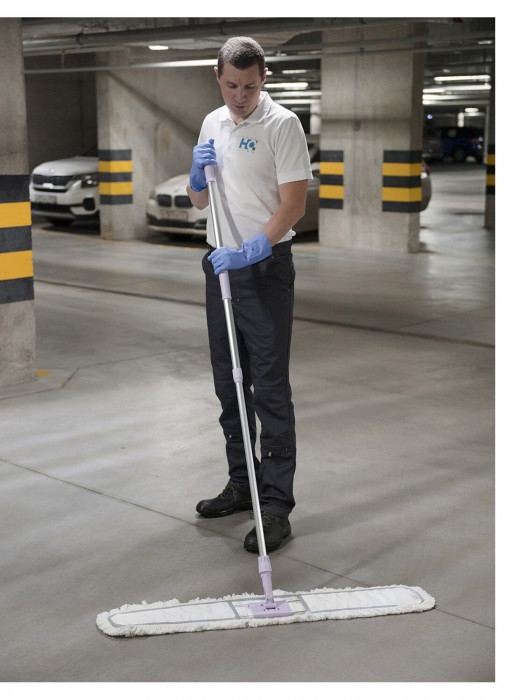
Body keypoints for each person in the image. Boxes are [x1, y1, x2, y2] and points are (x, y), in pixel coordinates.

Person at [186, 37, 312, 553]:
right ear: (218, 77)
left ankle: (276, 505)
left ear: (264, 79)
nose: (241, 97)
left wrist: (254, 249)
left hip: (264, 269)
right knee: (229, 384)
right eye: (232, 86)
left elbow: (294, 205)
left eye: (251, 86)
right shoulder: (212, 122)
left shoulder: (282, 124)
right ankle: (243, 483)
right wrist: (195, 175)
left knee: (269, 390)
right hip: (219, 268)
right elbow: (200, 201)